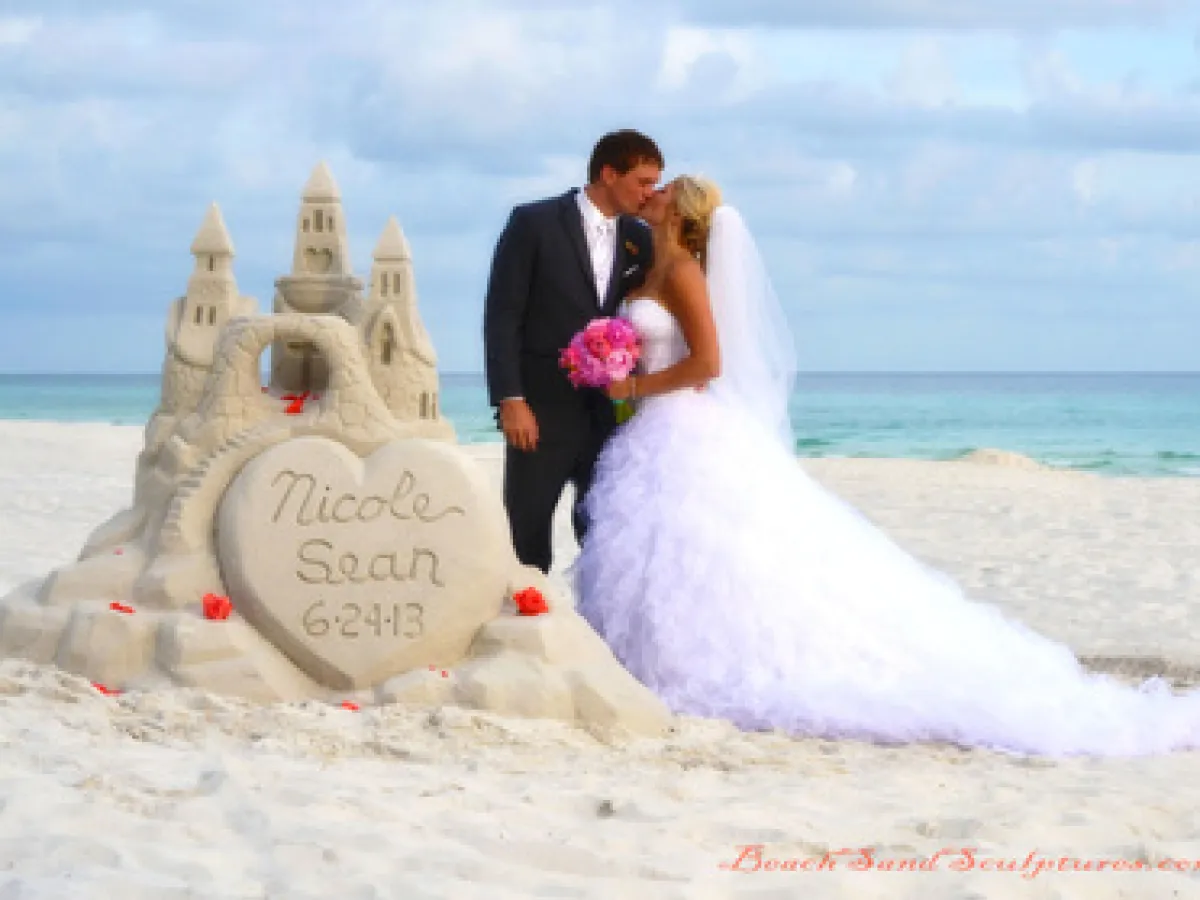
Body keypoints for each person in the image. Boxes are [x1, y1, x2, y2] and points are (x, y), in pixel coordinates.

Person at [571, 174, 1200, 756]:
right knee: (656, 552)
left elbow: (709, 365)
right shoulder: (646, 267)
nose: (652, 192)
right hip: (649, 434)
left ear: (680, 215)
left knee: (698, 549)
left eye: (666, 189)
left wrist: (633, 390)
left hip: (680, 426)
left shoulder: (682, 270)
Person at [483, 130, 662, 574]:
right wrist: (511, 399)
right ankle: (527, 628)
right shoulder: (533, 223)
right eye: (642, 181)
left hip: (606, 415)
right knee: (527, 533)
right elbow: (503, 315)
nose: (649, 193)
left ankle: (591, 634)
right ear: (608, 173)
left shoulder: (639, 238)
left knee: (601, 534)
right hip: (540, 410)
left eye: (654, 183)